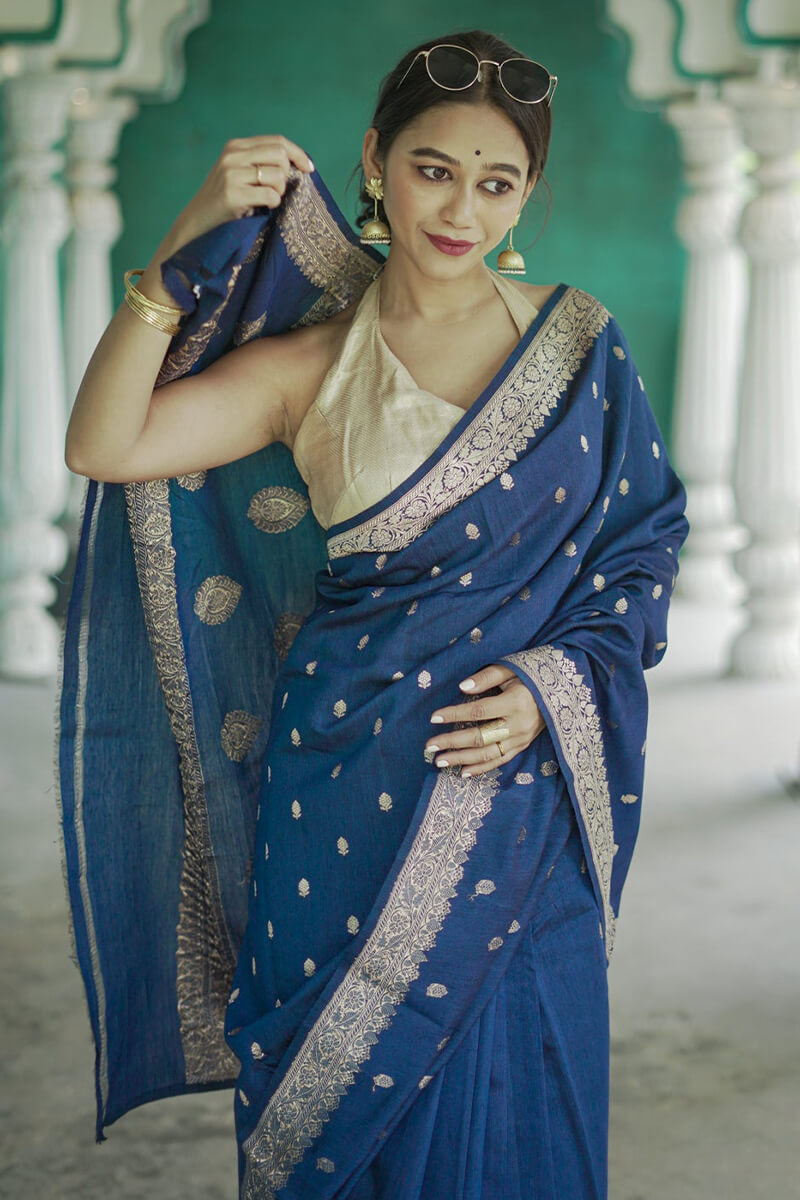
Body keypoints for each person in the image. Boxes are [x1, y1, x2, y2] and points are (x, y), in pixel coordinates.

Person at [58, 28, 690, 1200]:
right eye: (432, 168)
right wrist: (175, 251)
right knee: (333, 1118)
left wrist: (551, 688)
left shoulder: (576, 346)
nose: (459, 208)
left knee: (515, 1088)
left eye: (495, 182)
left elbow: (640, 546)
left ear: (526, 197)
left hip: (514, 787)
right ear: (375, 160)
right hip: (340, 778)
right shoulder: (310, 366)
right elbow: (106, 443)